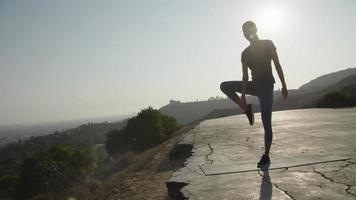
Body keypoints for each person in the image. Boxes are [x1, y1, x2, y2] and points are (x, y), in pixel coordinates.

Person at [220, 20, 288, 168]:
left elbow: (277, 64)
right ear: (243, 34)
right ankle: (247, 109)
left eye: (249, 29)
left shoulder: (268, 44)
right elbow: (245, 77)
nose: (247, 33)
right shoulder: (244, 53)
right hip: (253, 85)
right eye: (244, 31)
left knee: (266, 122)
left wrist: (284, 84)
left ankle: (266, 155)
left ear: (256, 29)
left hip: (266, 87)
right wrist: (243, 98)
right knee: (224, 86)